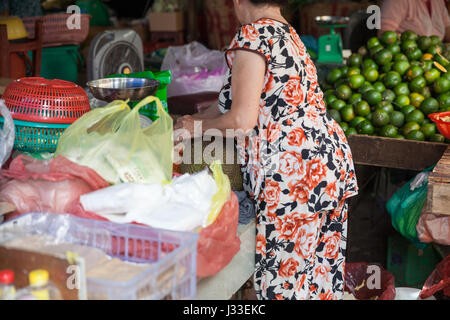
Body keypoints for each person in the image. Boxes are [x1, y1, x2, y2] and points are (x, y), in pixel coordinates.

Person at [175, 0, 358, 300]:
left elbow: (240, 120)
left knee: (283, 288)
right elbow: (234, 102)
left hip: (293, 173)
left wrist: (194, 131)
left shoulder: (252, 36)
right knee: (317, 282)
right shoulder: (288, 35)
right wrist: (191, 121)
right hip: (327, 165)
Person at [379, 0, 450, 42]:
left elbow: (447, 28)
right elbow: (384, 34)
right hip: (408, 60)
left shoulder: (438, 1)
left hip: (437, 55)